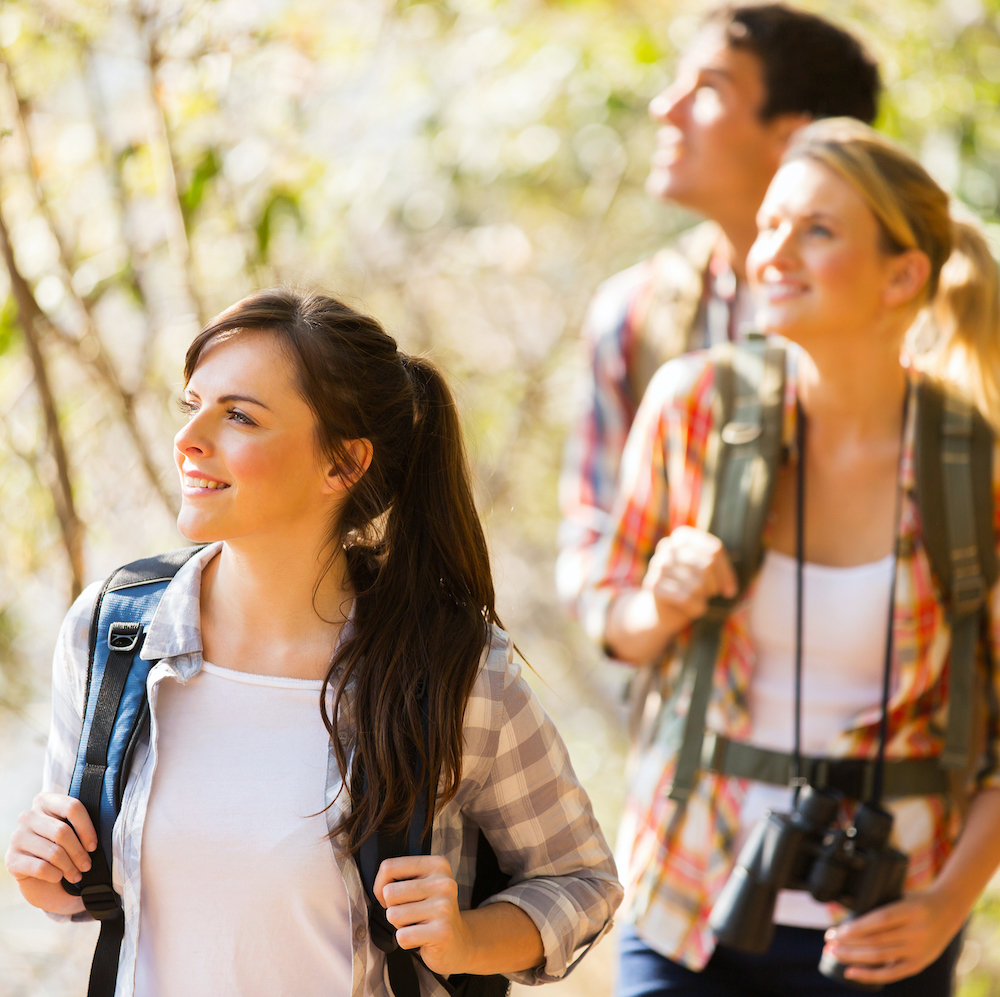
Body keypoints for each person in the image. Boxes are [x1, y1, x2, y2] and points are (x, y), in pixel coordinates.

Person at [4, 290, 623, 996]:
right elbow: (102, 892)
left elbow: (581, 880)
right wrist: (46, 879)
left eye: (237, 415)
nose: (189, 437)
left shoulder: (451, 671)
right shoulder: (113, 633)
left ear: (343, 465)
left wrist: (465, 939)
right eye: (192, 404)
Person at [585, 118, 1000, 995]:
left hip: (887, 923)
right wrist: (660, 599)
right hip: (687, 896)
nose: (772, 252)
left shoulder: (977, 464)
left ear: (904, 274)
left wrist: (948, 903)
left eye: (815, 229)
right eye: (770, 224)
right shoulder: (697, 404)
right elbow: (617, 624)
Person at [557, 3, 881, 622]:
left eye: (707, 89)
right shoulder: (634, 316)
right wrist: (652, 609)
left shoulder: (924, 302)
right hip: (702, 705)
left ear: (792, 137)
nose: (664, 108)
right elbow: (593, 555)